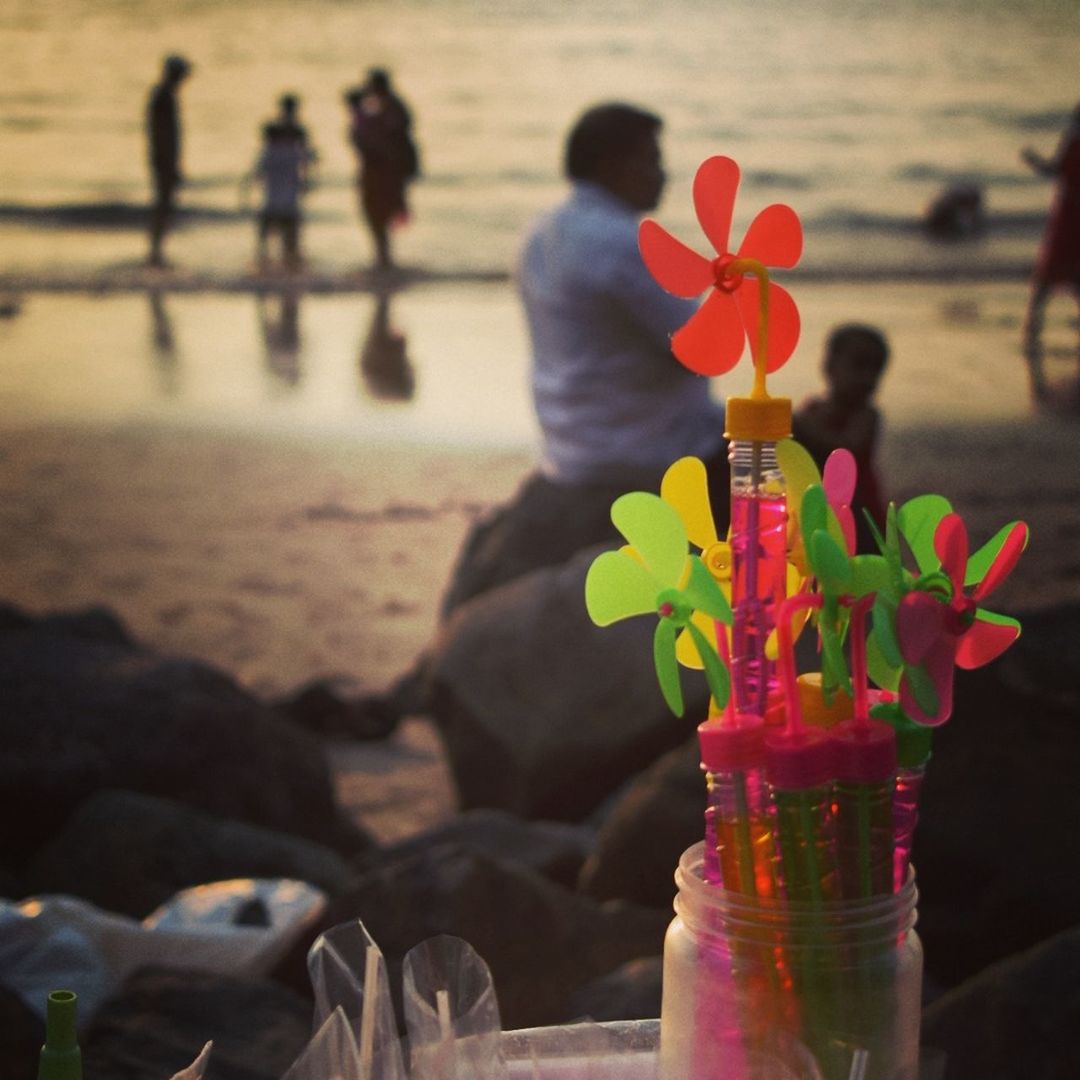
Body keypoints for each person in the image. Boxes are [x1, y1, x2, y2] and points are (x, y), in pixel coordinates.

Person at [440, 101, 728, 616]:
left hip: (569, 450)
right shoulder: (627, 242)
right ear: (611, 165)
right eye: (652, 160)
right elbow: (704, 349)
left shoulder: (540, 233)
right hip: (649, 451)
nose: (663, 174)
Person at [792, 323, 889, 553]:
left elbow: (848, 450)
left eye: (875, 370)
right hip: (820, 511)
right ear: (829, 366)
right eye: (858, 366)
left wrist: (800, 426)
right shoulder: (812, 410)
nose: (866, 377)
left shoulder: (866, 416)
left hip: (861, 514)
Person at [1021, 103, 1080, 362]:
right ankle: (1032, 325)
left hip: (1069, 217)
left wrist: (1036, 163)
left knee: (1050, 274)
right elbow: (1055, 170)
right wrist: (1035, 162)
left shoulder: (1072, 143)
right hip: (1068, 217)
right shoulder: (1072, 143)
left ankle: (1032, 326)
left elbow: (1054, 170)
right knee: (1068, 275)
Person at [345, 68, 419, 269]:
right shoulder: (386, 110)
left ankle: (384, 261)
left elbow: (373, 143)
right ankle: (383, 259)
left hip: (384, 174)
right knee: (379, 217)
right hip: (383, 173)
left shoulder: (390, 111)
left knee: (379, 216)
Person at [244, 95, 317, 269]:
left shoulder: (269, 153)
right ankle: (288, 279)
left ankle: (266, 276)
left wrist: (245, 198)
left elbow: (254, 177)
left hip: (270, 205)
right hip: (289, 205)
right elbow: (310, 160)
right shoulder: (295, 147)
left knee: (263, 250)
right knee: (291, 249)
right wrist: (306, 182)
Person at [146, 54, 192, 268]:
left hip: (163, 158)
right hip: (164, 158)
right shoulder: (164, 96)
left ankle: (157, 250)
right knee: (163, 204)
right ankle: (155, 251)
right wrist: (169, 162)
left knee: (164, 203)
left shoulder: (164, 94)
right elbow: (163, 133)